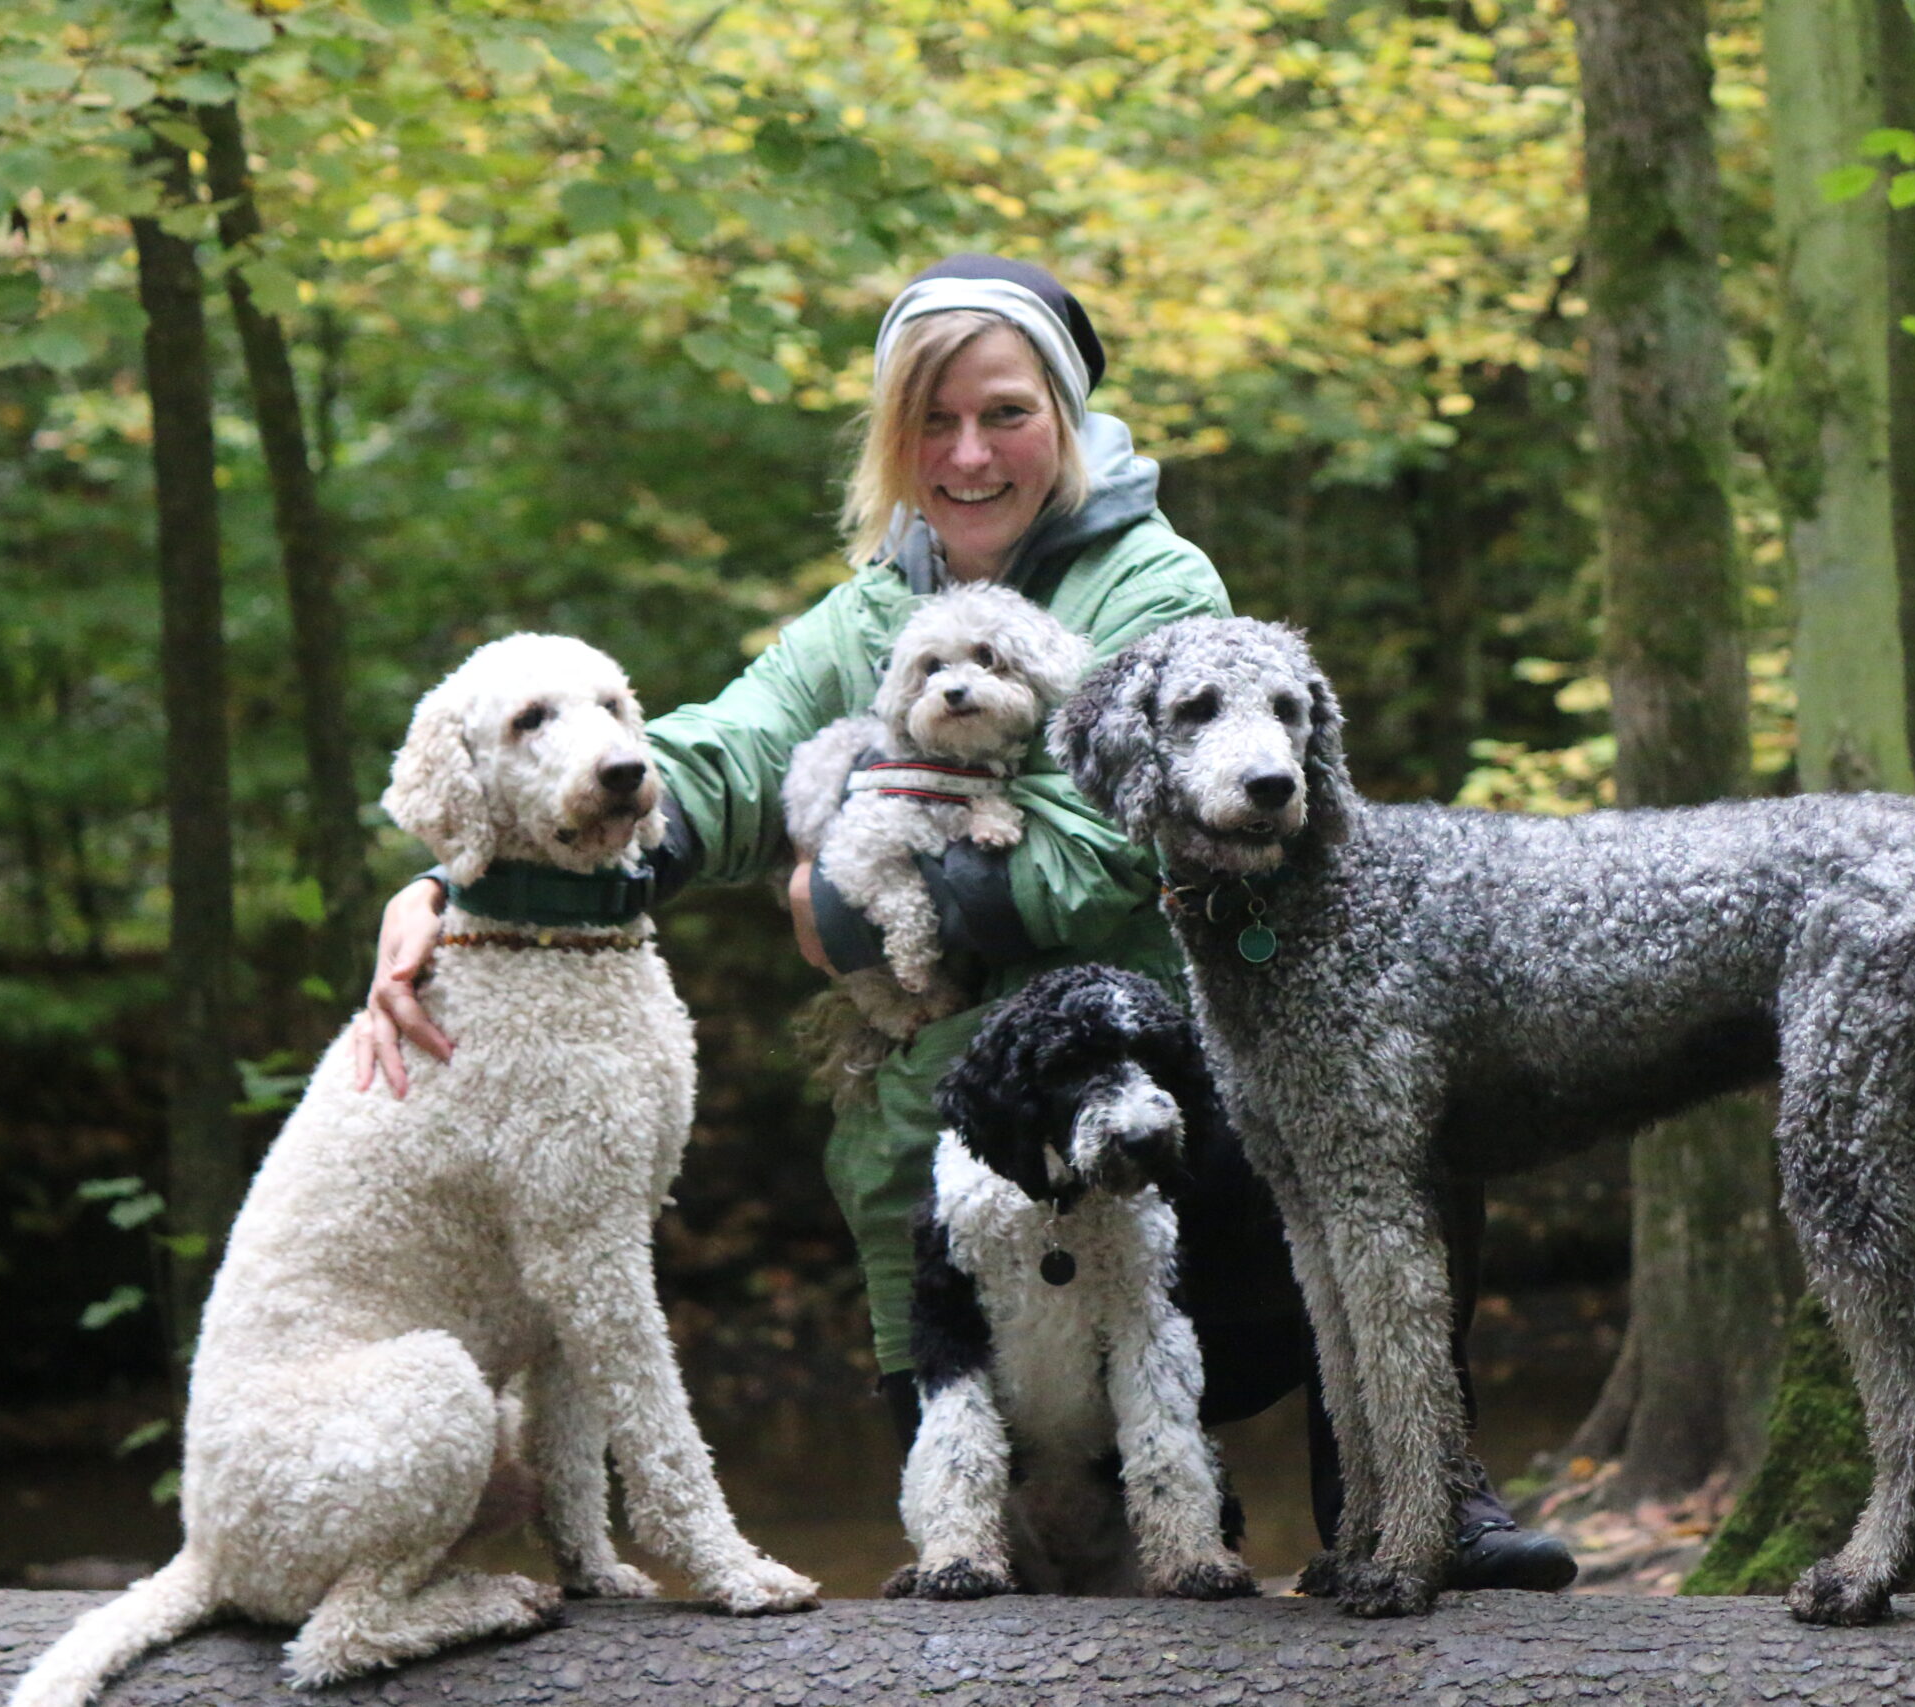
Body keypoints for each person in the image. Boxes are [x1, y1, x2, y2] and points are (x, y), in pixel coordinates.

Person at [353, 254, 1572, 1590]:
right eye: (931, 421)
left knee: (1190, 1560)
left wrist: (858, 906)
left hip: (1166, 1143)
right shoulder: (874, 611)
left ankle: (1411, 1515)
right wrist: (462, 886)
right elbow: (712, 760)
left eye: (1004, 412)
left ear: (1063, 409)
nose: (969, 452)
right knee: (999, 1593)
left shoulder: (1157, 593)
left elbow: (1123, 846)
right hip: (941, 1163)